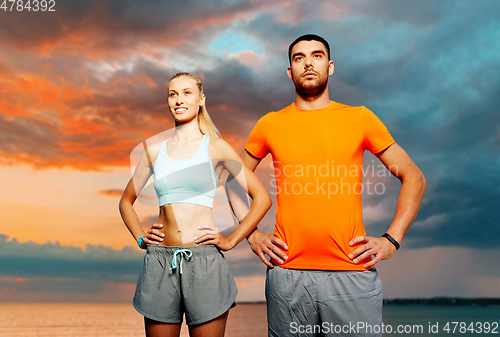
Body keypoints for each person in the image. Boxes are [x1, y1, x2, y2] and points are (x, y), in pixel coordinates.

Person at [239, 34, 427, 336]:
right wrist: (252, 236)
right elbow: (231, 181)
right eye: (299, 58)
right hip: (287, 277)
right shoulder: (269, 124)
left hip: (351, 276)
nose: (308, 63)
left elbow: (414, 177)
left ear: (330, 66)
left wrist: (391, 240)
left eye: (316, 55)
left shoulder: (360, 118)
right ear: (290, 71)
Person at [119, 72, 272, 337]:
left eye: (187, 93)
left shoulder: (216, 147)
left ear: (201, 100)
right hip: (159, 263)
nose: (179, 100)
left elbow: (262, 199)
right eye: (173, 94)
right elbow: (125, 202)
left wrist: (230, 240)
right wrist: (141, 238)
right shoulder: (153, 151)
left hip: (204, 262)